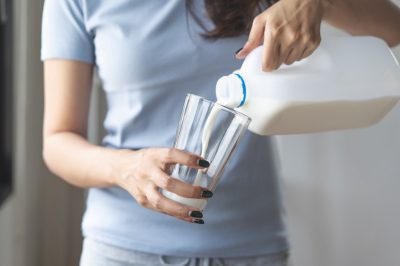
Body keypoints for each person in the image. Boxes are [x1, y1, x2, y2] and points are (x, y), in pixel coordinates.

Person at [41, 0, 400, 265]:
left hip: (250, 245)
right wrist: (125, 168)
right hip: (124, 247)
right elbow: (58, 141)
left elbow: (392, 28)